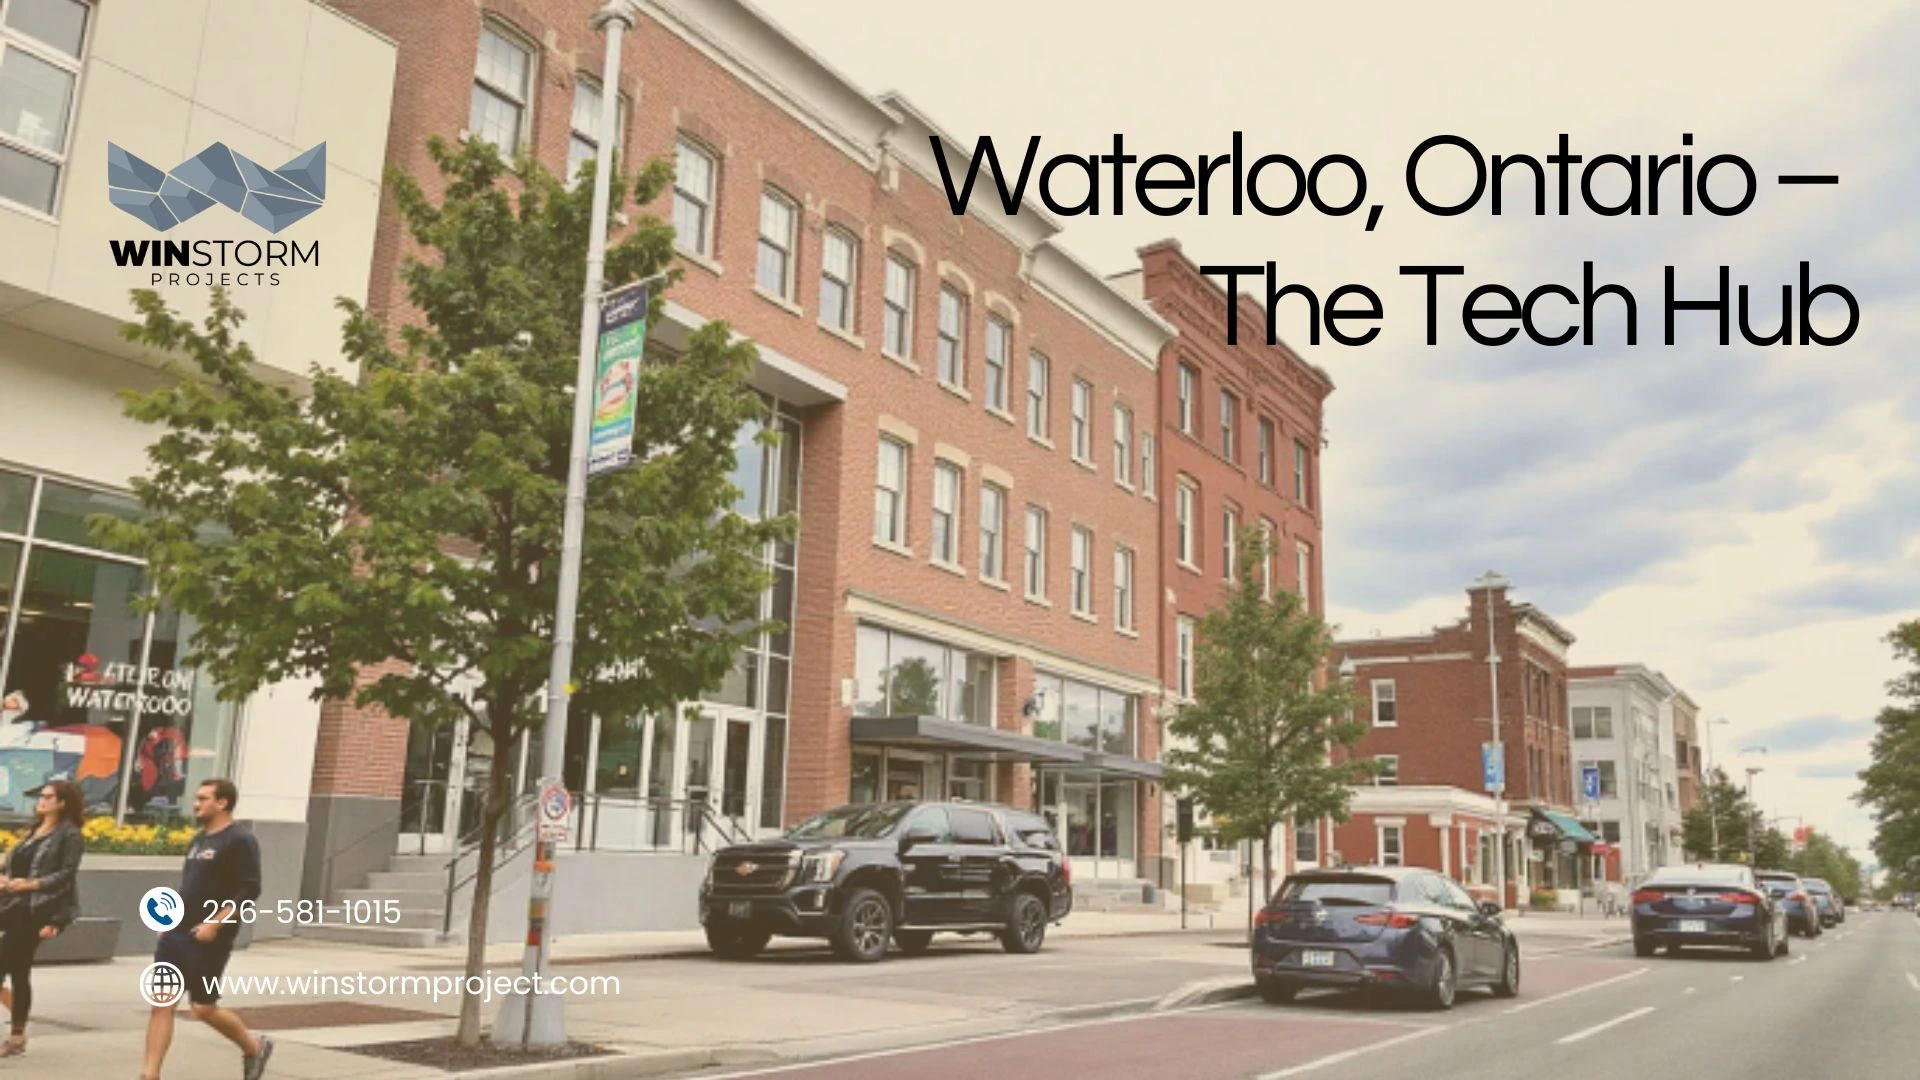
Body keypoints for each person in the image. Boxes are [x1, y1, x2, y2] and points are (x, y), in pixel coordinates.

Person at [141, 778, 272, 1080]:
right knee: (161, 1004)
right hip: (175, 935)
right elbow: (189, 885)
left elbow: (250, 889)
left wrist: (217, 922)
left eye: (203, 798)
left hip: (209, 939)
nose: (196, 804)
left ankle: (254, 1047)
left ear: (222, 802)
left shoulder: (240, 840)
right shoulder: (198, 840)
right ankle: (149, 1074)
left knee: (203, 1007)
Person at [0, 778, 84, 1057]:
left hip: (36, 910)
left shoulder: (70, 834)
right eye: (42, 796)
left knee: (12, 967)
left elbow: (66, 874)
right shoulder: (34, 831)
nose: (42, 801)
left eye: (49, 797)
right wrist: (6, 878)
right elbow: (14, 863)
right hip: (12, 905)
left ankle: (17, 1036)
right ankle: (17, 1036)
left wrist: (30, 885)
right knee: (20, 971)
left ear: (62, 802)